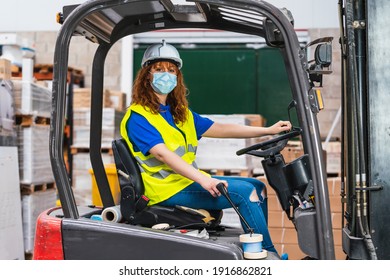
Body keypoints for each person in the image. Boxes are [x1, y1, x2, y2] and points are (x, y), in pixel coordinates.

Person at [120, 40, 291, 255]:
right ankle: (265, 254)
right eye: (159, 69)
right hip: (165, 190)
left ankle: (257, 247)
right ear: (147, 75)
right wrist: (204, 179)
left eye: (171, 70)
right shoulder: (138, 116)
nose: (166, 74)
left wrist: (268, 130)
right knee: (246, 194)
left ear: (177, 77)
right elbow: (162, 154)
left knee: (257, 186)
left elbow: (221, 128)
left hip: (184, 182)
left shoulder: (178, 113)